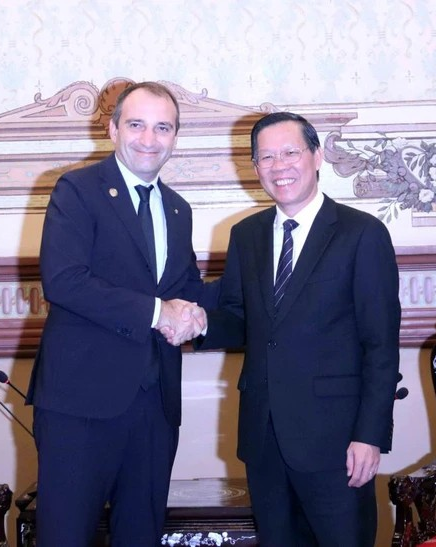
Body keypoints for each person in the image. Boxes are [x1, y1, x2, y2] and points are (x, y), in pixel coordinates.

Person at [184, 112, 401, 546]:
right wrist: (199, 322)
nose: (278, 166)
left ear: (316, 157)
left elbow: (380, 345)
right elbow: (240, 319)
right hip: (264, 438)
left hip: (337, 442)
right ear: (255, 167)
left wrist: (369, 436)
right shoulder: (246, 235)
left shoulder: (362, 234)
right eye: (266, 157)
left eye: (289, 152)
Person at [26, 81, 209, 546]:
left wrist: (201, 315)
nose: (149, 139)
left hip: (156, 406)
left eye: (163, 128)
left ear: (175, 137)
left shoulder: (178, 209)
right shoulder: (77, 189)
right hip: (80, 404)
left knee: (142, 535)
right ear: (112, 129)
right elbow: (65, 280)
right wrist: (158, 313)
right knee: (66, 536)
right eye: (137, 125)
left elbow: (184, 289)